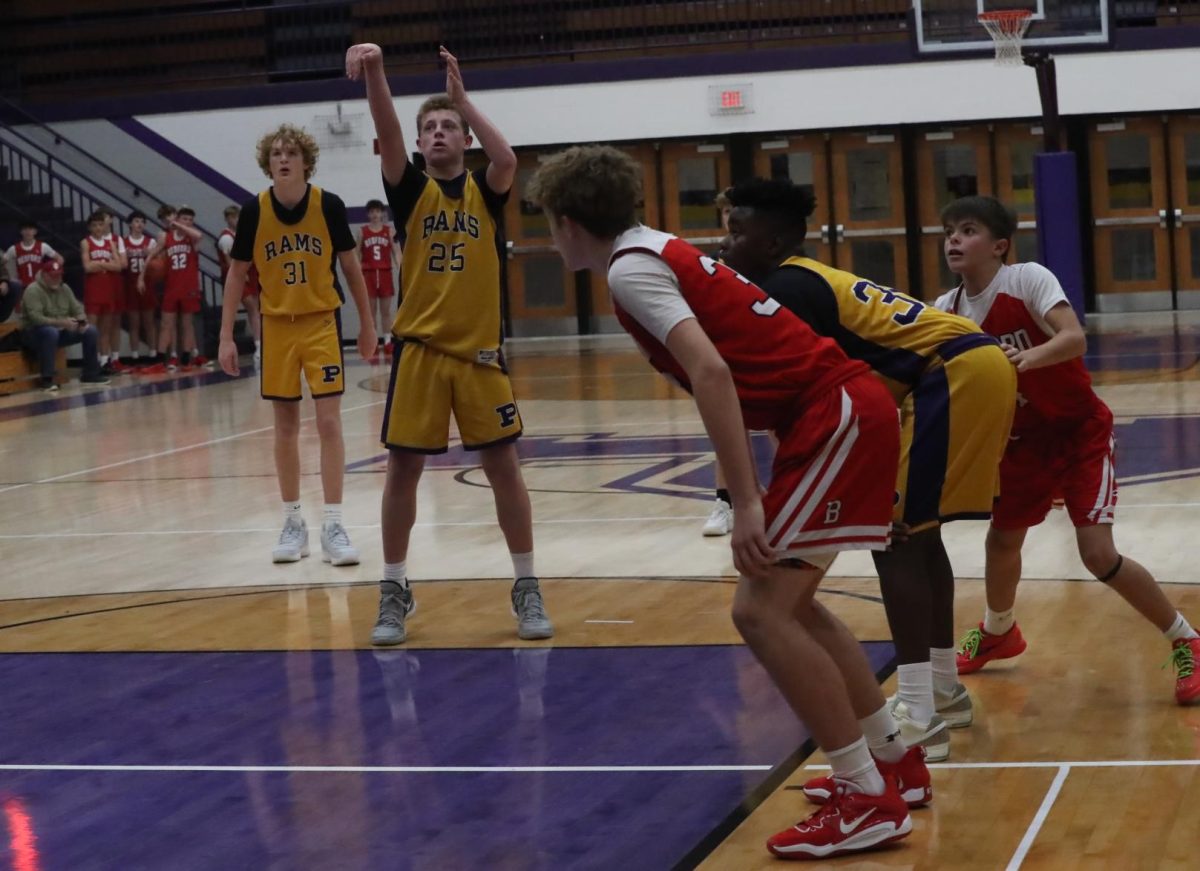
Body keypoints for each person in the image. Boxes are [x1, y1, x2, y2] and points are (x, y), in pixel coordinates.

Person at [527, 144, 926, 860]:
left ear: (566, 221)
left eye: (547, 223)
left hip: (830, 411)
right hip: (837, 409)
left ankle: (868, 795)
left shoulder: (631, 270)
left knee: (758, 609)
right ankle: (892, 761)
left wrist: (743, 500)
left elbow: (711, 371)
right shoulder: (655, 248)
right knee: (792, 604)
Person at [719, 178, 1017, 761]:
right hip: (964, 368)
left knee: (896, 540)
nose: (725, 243)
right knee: (918, 536)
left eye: (736, 231)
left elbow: (807, 396)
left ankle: (918, 716)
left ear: (773, 237)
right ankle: (941, 690)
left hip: (950, 373)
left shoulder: (786, 287)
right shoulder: (804, 277)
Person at [935, 195, 1200, 705]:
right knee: (1001, 541)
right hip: (1019, 445)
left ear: (999, 246)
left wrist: (1025, 359)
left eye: (967, 230)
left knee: (1097, 553)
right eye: (949, 230)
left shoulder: (1027, 278)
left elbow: (1074, 338)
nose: (953, 239)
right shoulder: (947, 310)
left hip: (1078, 433)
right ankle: (999, 630)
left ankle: (1185, 636)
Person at [346, 42, 553, 644]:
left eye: (449, 127)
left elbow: (509, 157)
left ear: (464, 141)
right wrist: (379, 71)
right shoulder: (410, 192)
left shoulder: (487, 192)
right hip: (420, 352)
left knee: (504, 469)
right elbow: (386, 130)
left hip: (481, 355)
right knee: (401, 472)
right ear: (416, 146)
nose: (438, 133)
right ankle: (393, 588)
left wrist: (464, 101)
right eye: (429, 128)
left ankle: (527, 584)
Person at [217, 123, 377, 566]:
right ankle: (292, 521)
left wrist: (366, 325)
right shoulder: (254, 211)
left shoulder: (329, 206)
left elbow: (351, 267)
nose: (283, 159)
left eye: (290, 152)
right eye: (275, 154)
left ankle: (333, 523)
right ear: (267, 164)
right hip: (277, 328)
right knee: (285, 426)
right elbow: (236, 275)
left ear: (306, 161)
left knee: (329, 424)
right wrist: (227, 336)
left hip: (321, 324)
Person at [18, 261, 110, 391]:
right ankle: (47, 379)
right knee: (50, 332)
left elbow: (77, 308)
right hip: (33, 334)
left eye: (59, 276)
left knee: (91, 331)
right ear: (44, 275)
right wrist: (61, 322)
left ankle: (91, 373)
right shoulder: (33, 290)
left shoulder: (65, 288)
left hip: (59, 331)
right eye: (53, 276)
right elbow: (36, 319)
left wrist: (81, 321)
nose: (57, 279)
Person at [141, 205, 206, 371]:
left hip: (189, 287)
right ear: (177, 218)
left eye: (190, 220)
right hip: (171, 286)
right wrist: (141, 277)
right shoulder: (166, 238)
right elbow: (151, 255)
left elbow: (199, 235)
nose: (188, 222)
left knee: (187, 324)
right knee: (166, 324)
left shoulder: (193, 239)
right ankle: (160, 359)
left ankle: (185, 358)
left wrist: (181, 225)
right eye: (184, 219)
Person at [80, 210, 126, 376]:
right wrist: (107, 263)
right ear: (90, 228)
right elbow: (87, 267)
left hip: (108, 290)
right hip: (93, 291)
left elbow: (119, 266)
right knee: (92, 329)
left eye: (100, 224)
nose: (98, 228)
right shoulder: (86, 242)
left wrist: (99, 264)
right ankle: (92, 362)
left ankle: (105, 361)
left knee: (106, 329)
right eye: (94, 225)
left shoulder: (111, 243)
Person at [218, 205, 262, 365]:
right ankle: (258, 346)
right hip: (239, 279)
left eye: (237, 217)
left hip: (251, 275)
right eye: (232, 217)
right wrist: (242, 276)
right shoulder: (226, 238)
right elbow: (232, 264)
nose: (236, 220)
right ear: (227, 219)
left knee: (256, 309)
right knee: (252, 308)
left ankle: (260, 344)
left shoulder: (244, 233)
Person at [357, 198, 400, 355]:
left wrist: (401, 269)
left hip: (384, 274)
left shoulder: (389, 231)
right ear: (368, 214)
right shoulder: (362, 231)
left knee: (386, 312)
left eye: (377, 211)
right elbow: (355, 254)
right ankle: (373, 342)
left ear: (383, 213)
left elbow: (396, 252)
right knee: (370, 312)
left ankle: (388, 341)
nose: (375, 214)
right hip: (368, 274)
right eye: (372, 211)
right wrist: (356, 276)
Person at [123, 210, 157, 367]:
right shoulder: (123, 242)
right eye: (136, 221)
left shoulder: (150, 242)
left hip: (147, 285)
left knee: (149, 322)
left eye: (142, 221)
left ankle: (153, 354)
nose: (140, 224)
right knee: (134, 323)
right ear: (130, 223)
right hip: (129, 285)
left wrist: (152, 255)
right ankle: (135, 356)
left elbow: (159, 262)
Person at [4, 221, 64, 301]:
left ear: (35, 231)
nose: (28, 232)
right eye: (25, 229)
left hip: (39, 286)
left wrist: (51, 273)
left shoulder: (43, 246)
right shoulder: (14, 249)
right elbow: (2, 263)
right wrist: (8, 278)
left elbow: (60, 259)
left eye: (30, 229)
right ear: (21, 231)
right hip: (23, 287)